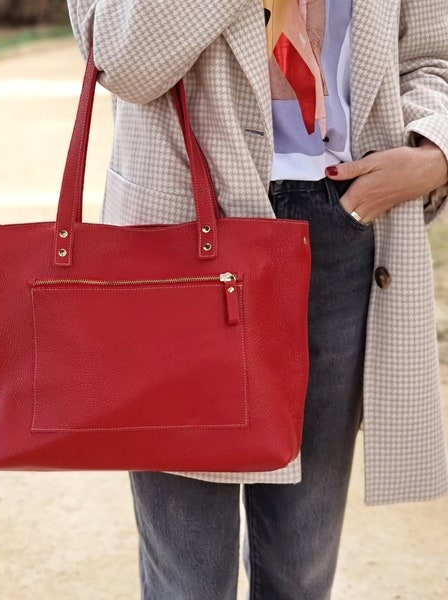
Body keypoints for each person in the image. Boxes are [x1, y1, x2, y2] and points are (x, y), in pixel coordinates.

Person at [67, 1, 448, 598]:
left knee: (301, 567)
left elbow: (435, 56)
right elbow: (121, 58)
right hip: (180, 235)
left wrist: (434, 156)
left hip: (344, 221)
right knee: (190, 577)